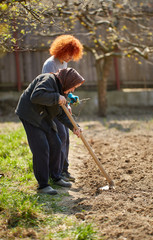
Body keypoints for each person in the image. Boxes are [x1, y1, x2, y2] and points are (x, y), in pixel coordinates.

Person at [15, 68, 85, 195]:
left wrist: (74, 126)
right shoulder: (48, 79)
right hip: (30, 114)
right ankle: (43, 185)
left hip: (43, 114)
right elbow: (36, 96)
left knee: (56, 143)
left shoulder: (60, 90)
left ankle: (56, 177)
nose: (73, 90)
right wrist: (56, 97)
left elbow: (61, 114)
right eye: (73, 87)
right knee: (42, 148)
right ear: (68, 81)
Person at [42, 35, 83, 182]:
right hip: (53, 106)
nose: (71, 57)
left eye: (73, 54)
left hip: (62, 103)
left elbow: (64, 87)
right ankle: (57, 172)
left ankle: (64, 169)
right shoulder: (50, 64)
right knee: (61, 137)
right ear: (61, 49)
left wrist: (69, 99)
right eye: (69, 53)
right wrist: (62, 100)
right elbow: (48, 88)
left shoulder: (63, 63)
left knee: (67, 137)